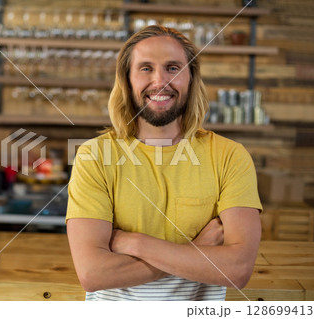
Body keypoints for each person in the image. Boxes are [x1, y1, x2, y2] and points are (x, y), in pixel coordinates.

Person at [66, 25, 262, 301]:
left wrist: (135, 242)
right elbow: (93, 275)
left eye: (173, 68)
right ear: (127, 80)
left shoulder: (229, 156)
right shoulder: (94, 156)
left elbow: (237, 270)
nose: (160, 81)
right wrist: (195, 250)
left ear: (191, 78)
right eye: (145, 68)